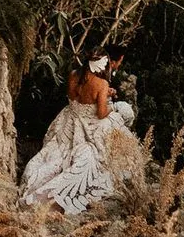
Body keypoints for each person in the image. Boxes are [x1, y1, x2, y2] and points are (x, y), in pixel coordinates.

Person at [18, 47, 136, 214]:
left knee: (57, 150)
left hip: (70, 118)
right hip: (90, 122)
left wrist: (100, 95)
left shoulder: (74, 74)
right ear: (102, 64)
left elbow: (74, 98)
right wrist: (111, 106)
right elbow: (101, 113)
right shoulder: (102, 83)